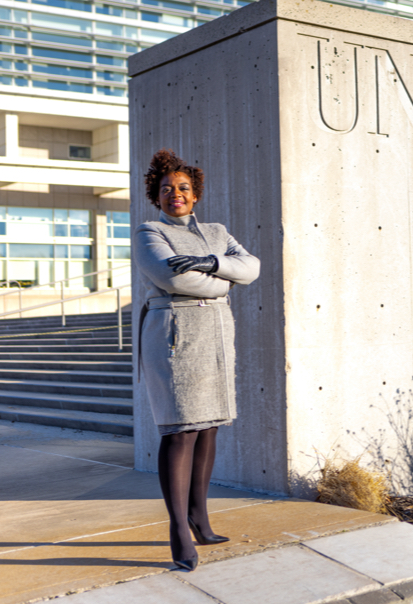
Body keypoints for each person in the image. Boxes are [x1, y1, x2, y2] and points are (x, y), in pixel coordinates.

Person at [133, 149, 260, 571]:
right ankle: (178, 529)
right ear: (156, 194)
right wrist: (223, 282)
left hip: (217, 335)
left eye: (183, 188)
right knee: (181, 430)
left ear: (196, 193)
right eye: (167, 189)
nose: (176, 194)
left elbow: (251, 267)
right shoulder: (149, 231)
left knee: (209, 428)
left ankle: (201, 519)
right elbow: (172, 277)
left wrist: (213, 261)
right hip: (175, 334)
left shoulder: (218, 231)